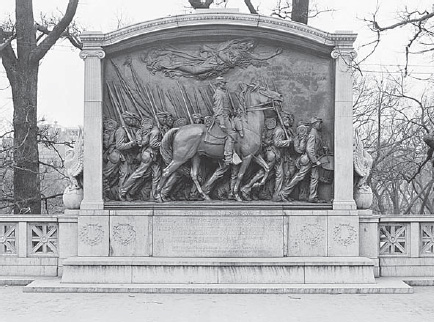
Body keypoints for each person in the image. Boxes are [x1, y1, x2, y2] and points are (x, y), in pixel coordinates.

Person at [274, 117, 326, 203]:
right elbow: (309, 149)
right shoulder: (313, 134)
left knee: (314, 178)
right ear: (315, 124)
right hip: (309, 160)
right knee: (299, 176)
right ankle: (283, 193)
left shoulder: (315, 133)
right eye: (319, 123)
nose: (320, 125)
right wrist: (315, 161)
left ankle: (312, 197)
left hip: (314, 159)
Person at [119, 117, 161, 201]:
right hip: (149, 155)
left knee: (148, 175)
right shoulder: (154, 131)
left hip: (152, 155)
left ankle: (132, 193)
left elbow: (140, 143)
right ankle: (123, 191)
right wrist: (163, 143)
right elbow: (153, 144)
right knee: (139, 173)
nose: (142, 127)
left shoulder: (143, 131)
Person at [114, 111, 141, 199]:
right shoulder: (121, 131)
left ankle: (127, 194)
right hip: (124, 157)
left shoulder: (132, 130)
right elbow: (119, 146)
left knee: (131, 176)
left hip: (132, 157)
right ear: (126, 120)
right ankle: (121, 195)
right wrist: (132, 143)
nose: (133, 121)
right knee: (124, 175)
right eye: (131, 119)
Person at [213, 76, 236, 165]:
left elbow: (226, 107)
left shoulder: (223, 92)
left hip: (226, 115)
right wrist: (222, 122)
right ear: (219, 84)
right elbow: (219, 109)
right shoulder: (219, 94)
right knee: (231, 134)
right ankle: (228, 157)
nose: (225, 84)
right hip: (222, 117)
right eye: (223, 83)